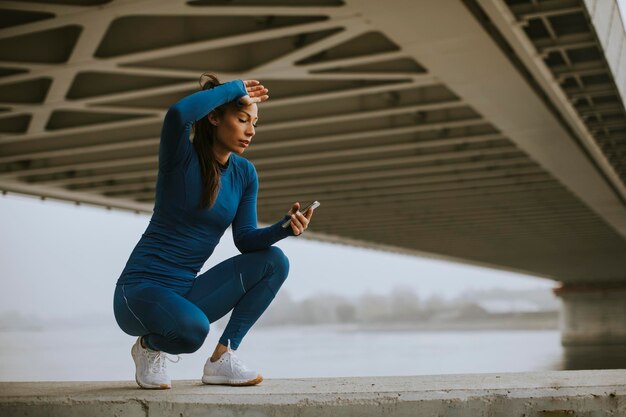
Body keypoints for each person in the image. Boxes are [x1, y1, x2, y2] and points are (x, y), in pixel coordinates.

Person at [113, 73, 314, 389]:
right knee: (193, 331)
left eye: (255, 123)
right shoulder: (180, 156)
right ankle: (148, 347)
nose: (250, 131)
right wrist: (234, 88)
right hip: (139, 292)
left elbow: (245, 239)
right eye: (243, 119)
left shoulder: (244, 173)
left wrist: (283, 228)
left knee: (275, 261)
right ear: (215, 116)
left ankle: (222, 358)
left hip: (186, 293)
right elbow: (178, 114)